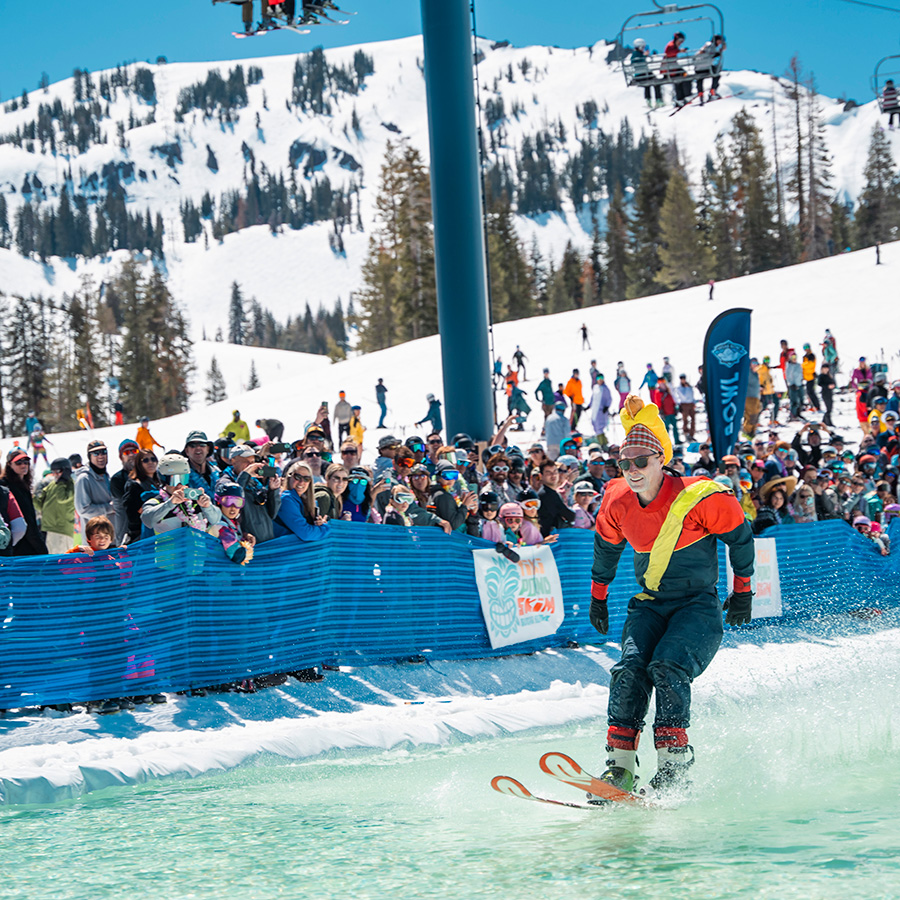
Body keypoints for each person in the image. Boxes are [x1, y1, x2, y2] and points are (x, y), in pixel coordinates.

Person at [588, 395, 754, 798]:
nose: (631, 471)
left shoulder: (701, 496)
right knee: (629, 670)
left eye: (640, 462)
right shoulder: (616, 499)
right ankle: (619, 768)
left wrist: (744, 593)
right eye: (624, 464)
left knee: (667, 667)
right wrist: (598, 597)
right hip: (650, 603)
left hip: (697, 605)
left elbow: (741, 538)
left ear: (661, 459)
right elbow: (607, 548)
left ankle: (673, 766)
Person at [141, 452, 222, 536]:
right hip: (169, 548)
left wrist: (207, 507)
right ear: (164, 480)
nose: (179, 485)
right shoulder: (156, 502)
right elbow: (147, 520)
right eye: (174, 480)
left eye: (183, 479)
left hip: (196, 548)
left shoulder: (194, 497)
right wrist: (170, 503)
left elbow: (216, 520)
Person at [225, 445, 283, 542]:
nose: (250, 466)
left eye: (252, 462)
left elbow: (272, 514)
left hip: (267, 542)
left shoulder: (254, 481)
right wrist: (245, 475)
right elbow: (234, 495)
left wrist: (273, 490)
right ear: (233, 461)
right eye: (246, 461)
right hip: (247, 544)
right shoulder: (225, 480)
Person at [274, 460, 330, 541]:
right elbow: (306, 534)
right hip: (285, 550)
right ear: (289, 477)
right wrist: (326, 528)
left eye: (306, 479)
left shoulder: (308, 500)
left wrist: (319, 524)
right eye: (298, 477)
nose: (301, 482)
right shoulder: (286, 499)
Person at [73, 439, 114, 540]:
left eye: (104, 452)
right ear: (89, 457)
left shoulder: (107, 476)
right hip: (94, 542)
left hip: (110, 538)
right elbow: (83, 509)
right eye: (96, 453)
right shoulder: (84, 478)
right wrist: (109, 508)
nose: (100, 456)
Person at [35, 457, 76, 553]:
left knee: (61, 560)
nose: (55, 475)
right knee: (51, 559)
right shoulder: (53, 484)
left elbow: (62, 500)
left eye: (58, 471)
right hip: (49, 528)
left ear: (66, 471)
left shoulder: (71, 485)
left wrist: (61, 483)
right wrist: (35, 498)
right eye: (53, 472)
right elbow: (39, 504)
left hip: (62, 530)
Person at [209, 480, 255, 565]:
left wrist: (244, 536)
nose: (233, 507)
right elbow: (237, 555)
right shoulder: (220, 525)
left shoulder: (234, 522)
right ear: (219, 502)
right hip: (222, 573)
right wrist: (247, 548)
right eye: (228, 501)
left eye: (238, 502)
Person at [123, 450, 162, 543]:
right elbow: (131, 515)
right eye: (145, 460)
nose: (150, 462)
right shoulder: (134, 485)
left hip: (160, 532)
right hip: (141, 535)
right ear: (138, 464)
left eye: (153, 459)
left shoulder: (162, 483)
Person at [110, 439, 140, 545]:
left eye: (134, 451)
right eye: (127, 452)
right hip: (126, 536)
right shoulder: (117, 479)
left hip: (147, 533)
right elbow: (128, 505)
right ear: (121, 457)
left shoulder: (149, 475)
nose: (131, 454)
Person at [537, 460, 576, 537]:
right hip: (548, 539)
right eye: (548, 473)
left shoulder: (552, 492)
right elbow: (569, 515)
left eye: (555, 472)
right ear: (541, 476)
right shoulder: (546, 494)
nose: (553, 475)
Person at [183, 431, 220, 498]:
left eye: (202, 445)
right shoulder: (182, 476)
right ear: (187, 451)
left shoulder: (219, 473)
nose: (198, 448)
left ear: (208, 449)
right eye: (193, 445)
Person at [630, 37, 662, 108]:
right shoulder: (636, 54)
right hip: (642, 74)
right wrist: (644, 56)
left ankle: (649, 100)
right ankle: (658, 100)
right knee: (656, 82)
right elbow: (636, 61)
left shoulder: (638, 54)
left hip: (641, 74)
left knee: (647, 85)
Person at [662, 31, 691, 107]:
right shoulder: (671, 45)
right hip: (669, 70)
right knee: (683, 78)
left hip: (672, 69)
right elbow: (669, 53)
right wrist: (679, 51)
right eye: (680, 41)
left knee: (683, 77)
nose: (681, 43)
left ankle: (682, 97)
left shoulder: (674, 46)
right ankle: (683, 96)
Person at [694, 34, 724, 103]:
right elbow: (711, 55)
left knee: (699, 78)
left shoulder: (706, 45)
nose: (719, 43)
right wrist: (720, 52)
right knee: (716, 73)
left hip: (698, 67)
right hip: (705, 66)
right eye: (719, 41)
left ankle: (700, 92)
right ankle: (713, 90)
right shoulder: (711, 46)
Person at [586, 374, 613, 440]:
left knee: (600, 426)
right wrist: (589, 406)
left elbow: (609, 399)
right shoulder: (595, 387)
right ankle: (600, 440)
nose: (600, 380)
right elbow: (593, 398)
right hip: (595, 410)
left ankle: (602, 441)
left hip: (601, 411)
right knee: (594, 424)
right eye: (598, 378)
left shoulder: (605, 389)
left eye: (601, 378)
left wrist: (606, 407)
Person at [673, 373, 697, 441]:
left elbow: (692, 394)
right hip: (684, 404)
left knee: (693, 419)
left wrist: (694, 402)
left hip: (691, 404)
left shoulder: (689, 386)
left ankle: (692, 434)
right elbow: (683, 396)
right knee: (685, 420)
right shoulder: (679, 388)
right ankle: (686, 433)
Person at [743, 358, 761, 437]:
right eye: (753, 362)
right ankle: (747, 431)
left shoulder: (756, 373)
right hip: (749, 397)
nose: (755, 364)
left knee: (755, 415)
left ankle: (753, 431)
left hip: (756, 396)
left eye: (756, 362)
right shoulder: (748, 372)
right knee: (751, 416)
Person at [802, 345, 820, 412]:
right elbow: (805, 366)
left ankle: (816, 406)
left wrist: (804, 365)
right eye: (805, 348)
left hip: (811, 376)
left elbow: (811, 365)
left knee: (811, 392)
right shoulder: (804, 357)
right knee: (809, 392)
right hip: (806, 377)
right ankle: (813, 405)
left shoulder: (812, 355)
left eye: (807, 347)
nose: (806, 349)